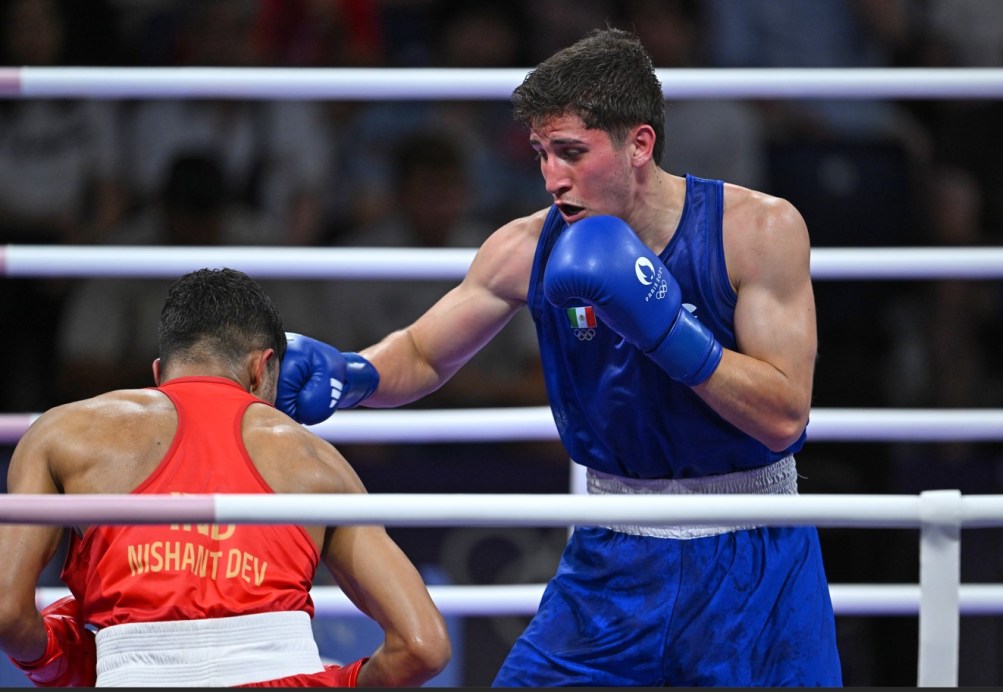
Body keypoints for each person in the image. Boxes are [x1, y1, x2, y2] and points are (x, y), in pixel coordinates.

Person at [276, 28, 842, 686]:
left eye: (572, 153)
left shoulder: (757, 231)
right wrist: (353, 375)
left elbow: (783, 416)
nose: (552, 178)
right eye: (542, 154)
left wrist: (667, 331)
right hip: (613, 559)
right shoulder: (526, 248)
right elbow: (425, 354)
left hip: (754, 552)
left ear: (640, 144)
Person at [0, 267, 450, 687]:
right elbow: (423, 648)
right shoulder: (319, 462)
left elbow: (8, 615)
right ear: (262, 368)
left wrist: (60, 661)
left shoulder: (61, 433)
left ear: (159, 372)